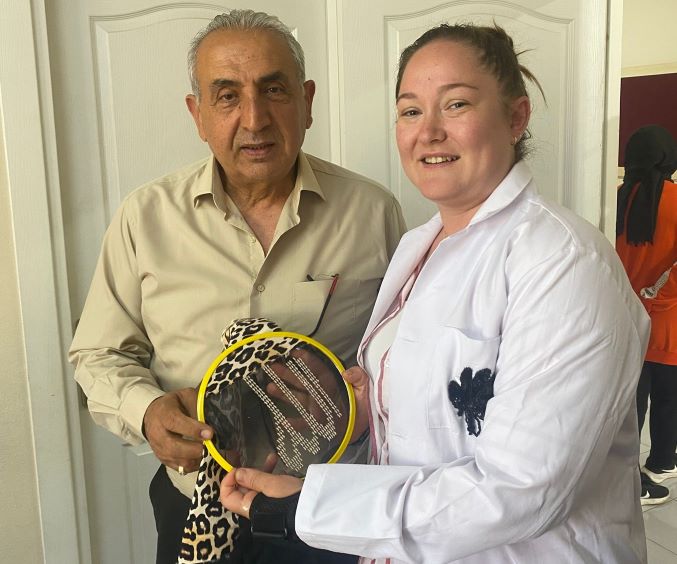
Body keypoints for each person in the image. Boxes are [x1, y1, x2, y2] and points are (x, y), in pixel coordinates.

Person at [219, 23, 651, 563]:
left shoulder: (563, 261)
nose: (428, 132)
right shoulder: (419, 246)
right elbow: (437, 406)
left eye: (456, 105)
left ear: (516, 117)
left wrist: (308, 506)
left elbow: (522, 489)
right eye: (410, 111)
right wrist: (360, 403)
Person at [69, 9, 406, 564]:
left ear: (307, 101)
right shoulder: (145, 218)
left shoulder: (372, 213)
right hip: (193, 511)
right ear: (197, 114)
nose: (254, 118)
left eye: (274, 90)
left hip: (328, 511)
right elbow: (99, 352)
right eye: (227, 96)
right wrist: (147, 412)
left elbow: (409, 353)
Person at [616, 125, 677, 506]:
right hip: (668, 318)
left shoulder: (617, 197)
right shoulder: (675, 200)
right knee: (669, 396)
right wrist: (659, 298)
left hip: (626, 316)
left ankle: (627, 473)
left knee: (631, 401)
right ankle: (660, 463)